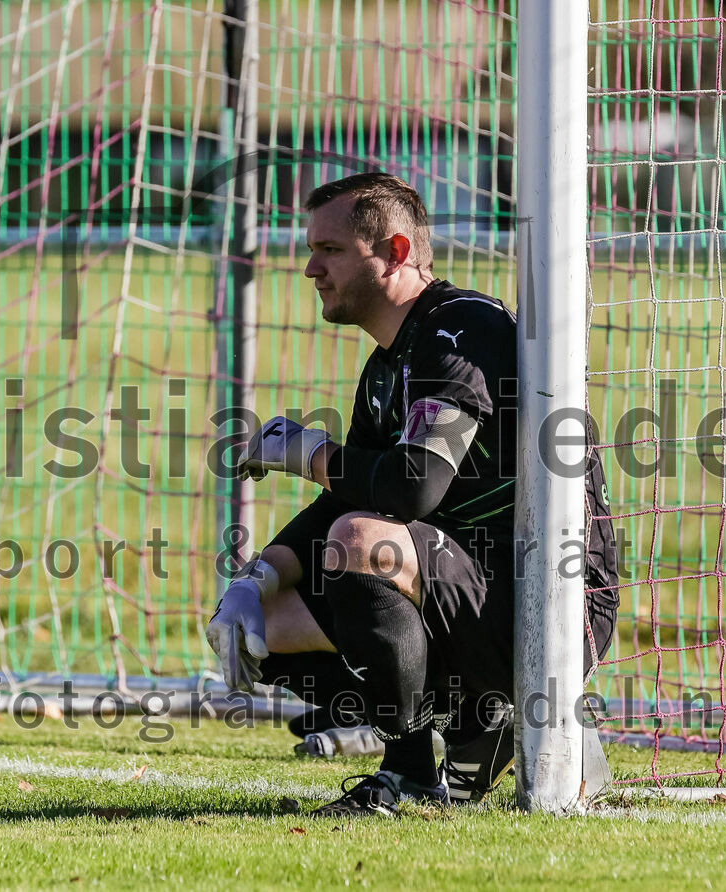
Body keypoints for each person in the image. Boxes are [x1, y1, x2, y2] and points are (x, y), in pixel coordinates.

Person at [205, 172, 619, 817]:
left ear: (396, 253)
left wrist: (306, 453)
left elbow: (412, 487)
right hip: (467, 586)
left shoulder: (462, 332)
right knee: (269, 625)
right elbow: (345, 498)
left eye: (332, 250)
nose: (311, 267)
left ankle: (412, 770)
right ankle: (474, 721)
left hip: (550, 603)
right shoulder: (384, 368)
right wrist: (253, 581)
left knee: (360, 544)